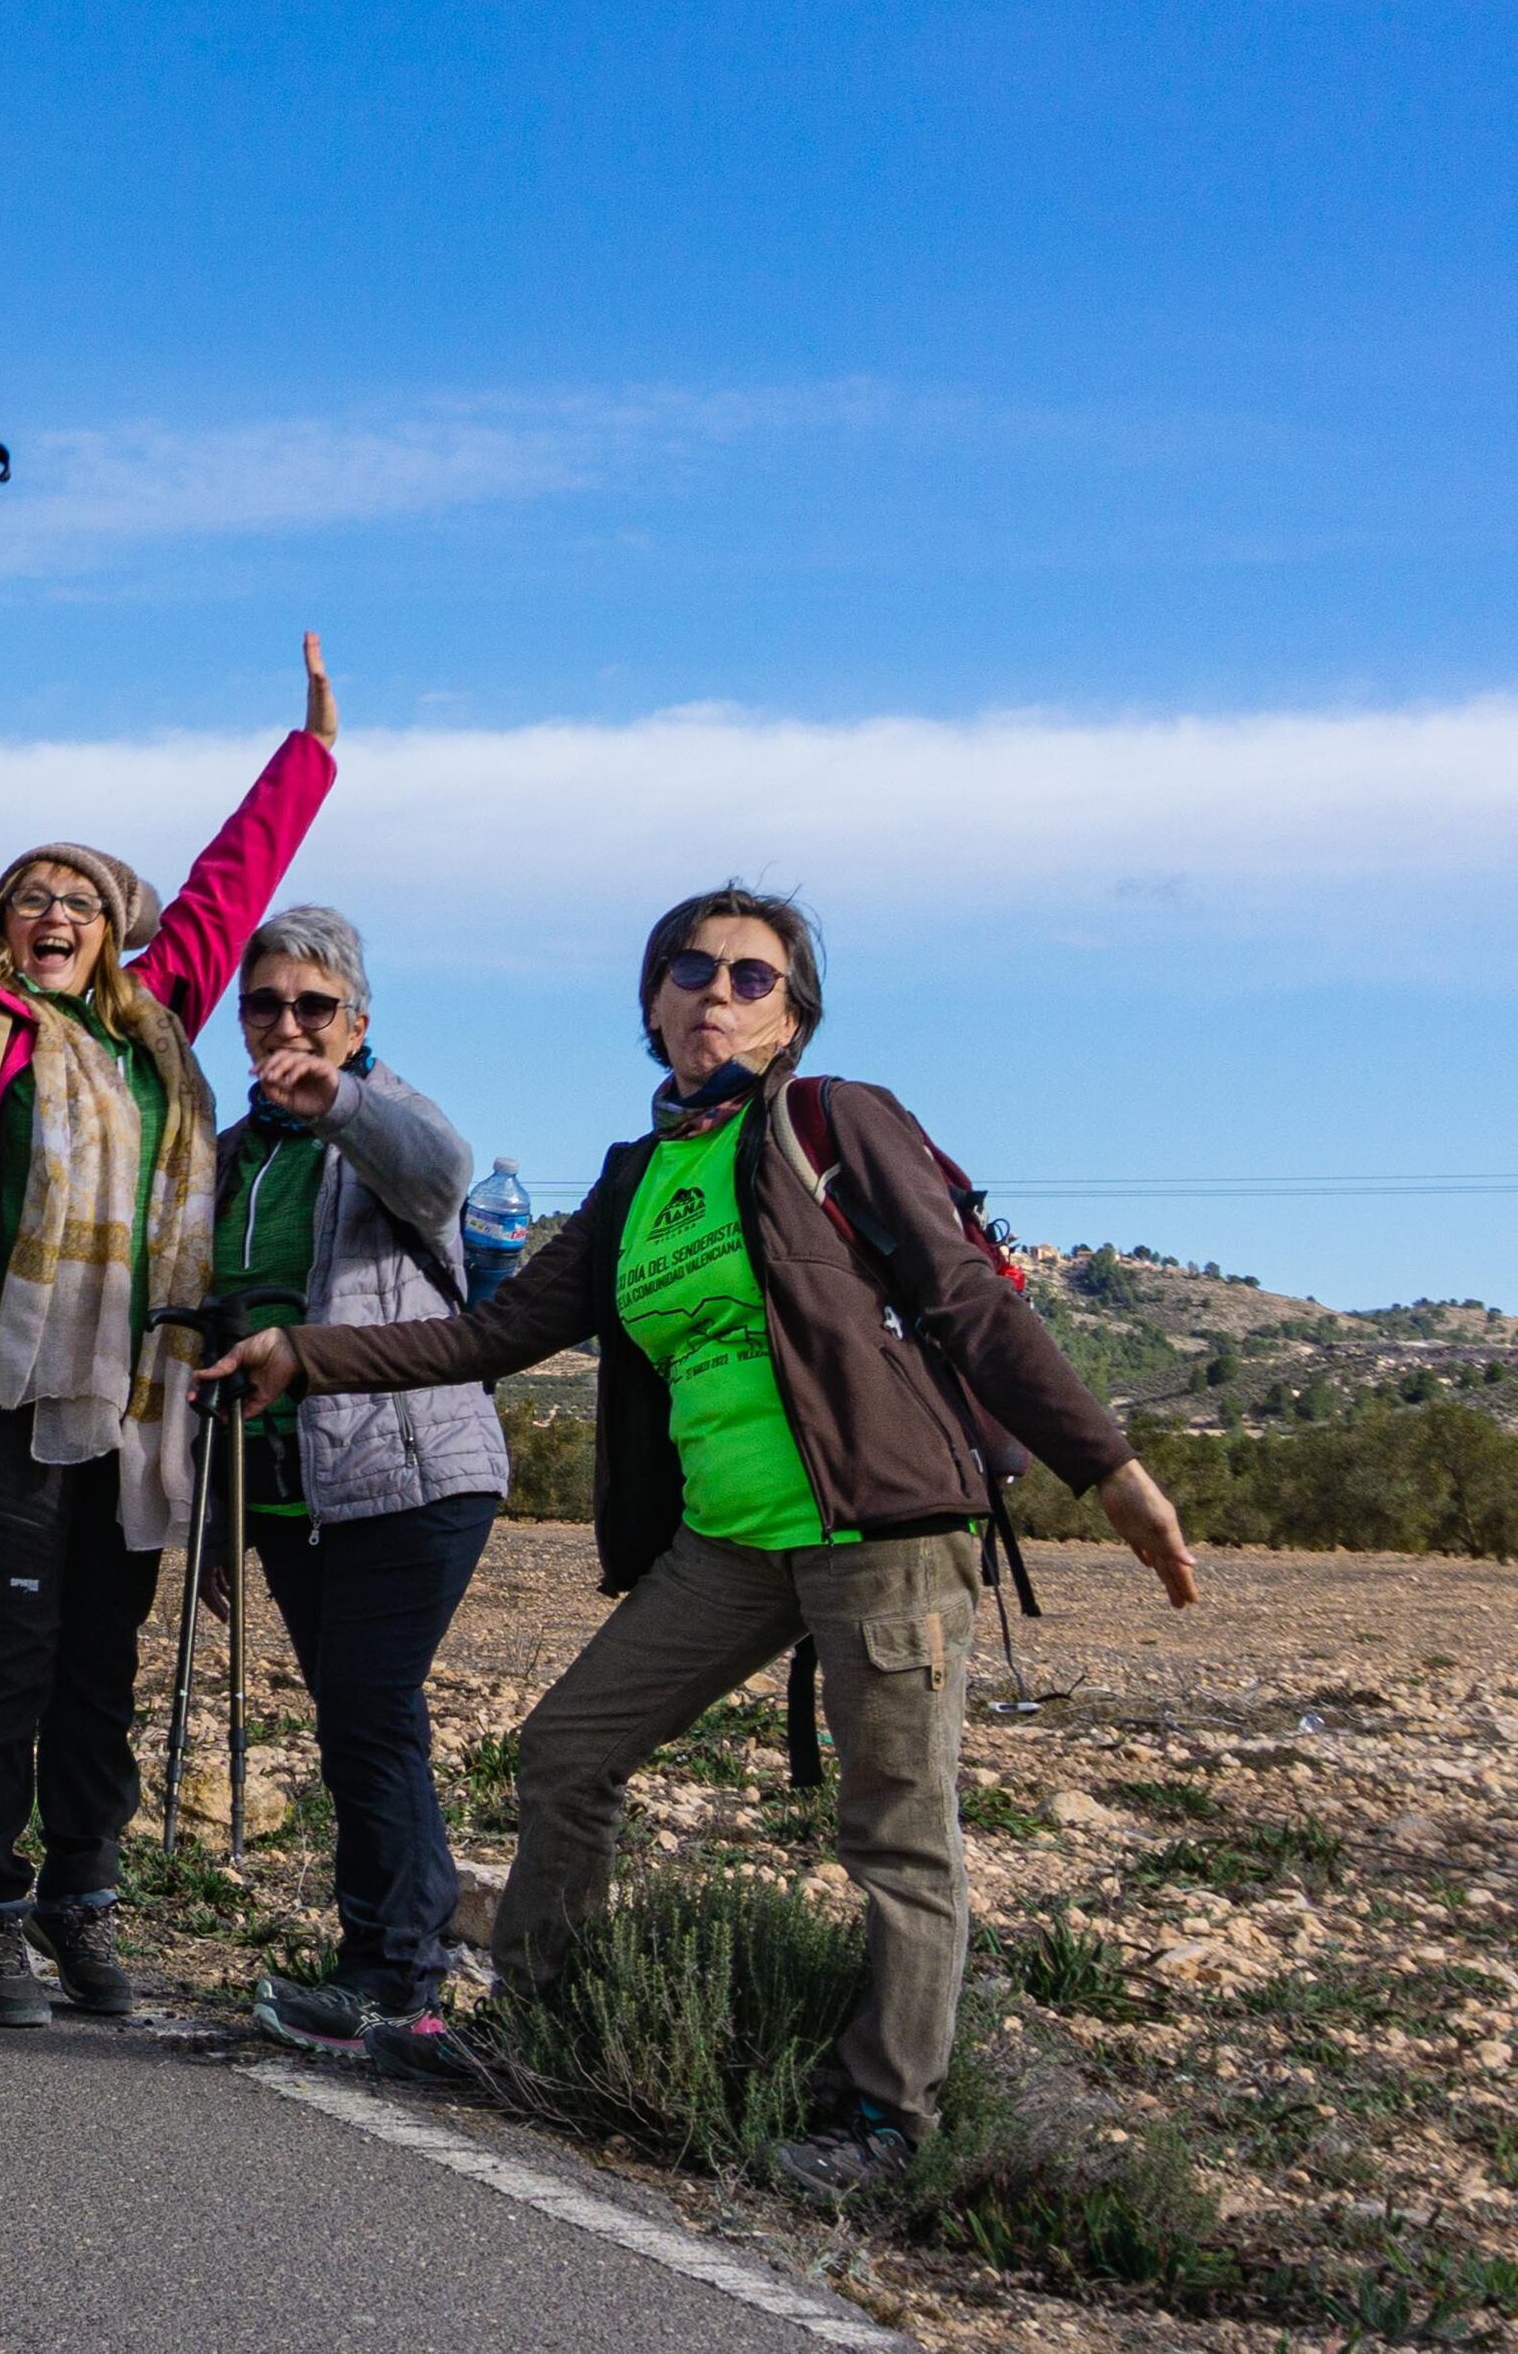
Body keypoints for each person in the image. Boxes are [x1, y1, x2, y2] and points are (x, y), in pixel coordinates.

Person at [221, 888, 1201, 2195]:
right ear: (651, 1002)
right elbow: (490, 1335)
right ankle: (529, 2025)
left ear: (793, 1012)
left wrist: (1111, 1469)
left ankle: (882, 2117)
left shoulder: (831, 1121)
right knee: (567, 1750)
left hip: (883, 1527)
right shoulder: (639, 1178)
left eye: (753, 975)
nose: (717, 992)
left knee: (897, 1829)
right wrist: (307, 1351)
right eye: (691, 969)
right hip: (732, 1541)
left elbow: (965, 1296)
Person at [0, 640, 337, 2030]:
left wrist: (305, 753)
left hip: (136, 1389)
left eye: (75, 900)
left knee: (104, 1646)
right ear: (0, 929)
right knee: (19, 1625)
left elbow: (231, 880)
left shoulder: (159, 1022)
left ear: (115, 927)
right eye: (26, 900)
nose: (50, 913)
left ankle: (82, 1892)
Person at [180, 907, 510, 2057]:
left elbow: (440, 1172)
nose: (286, 1026)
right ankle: (387, 1971)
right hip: (285, 1487)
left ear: (355, 1021)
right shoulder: (232, 1158)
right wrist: (211, 1514)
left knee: (370, 1720)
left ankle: (395, 1978)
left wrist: (343, 1098)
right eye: (263, 1005)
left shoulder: (385, 1121)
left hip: (411, 1471)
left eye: (312, 1008)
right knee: (358, 1722)